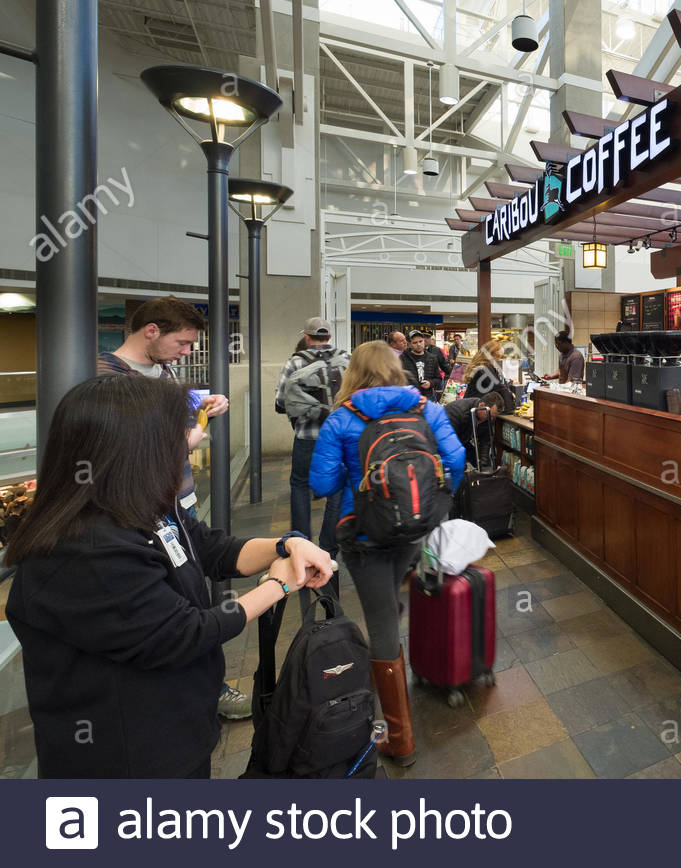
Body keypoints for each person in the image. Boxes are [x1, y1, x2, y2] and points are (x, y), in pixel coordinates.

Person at [3, 374, 334, 778]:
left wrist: (285, 546)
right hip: (125, 758)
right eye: (175, 433)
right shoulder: (86, 550)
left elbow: (209, 548)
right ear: (130, 448)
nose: (191, 440)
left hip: (177, 728)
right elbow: (183, 633)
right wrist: (277, 586)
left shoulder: (141, 506)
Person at [309, 341, 466, 766]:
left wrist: (358, 475)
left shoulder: (342, 418)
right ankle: (394, 654)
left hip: (364, 535)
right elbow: (456, 458)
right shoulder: (427, 410)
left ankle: (399, 740)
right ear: (397, 369)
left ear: (354, 372)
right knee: (390, 600)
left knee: (380, 624)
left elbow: (321, 485)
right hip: (415, 528)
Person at [97, 296, 249, 721]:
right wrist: (184, 442)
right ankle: (191, 690)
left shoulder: (162, 372)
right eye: (181, 343)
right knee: (170, 600)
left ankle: (203, 682)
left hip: (177, 500)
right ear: (151, 331)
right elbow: (120, 448)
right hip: (139, 507)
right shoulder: (105, 377)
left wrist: (203, 411)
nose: (186, 352)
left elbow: (171, 427)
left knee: (190, 586)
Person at [274, 317, 350, 620]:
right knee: (336, 490)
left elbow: (281, 403)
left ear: (306, 337)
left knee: (300, 486)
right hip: (339, 438)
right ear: (329, 336)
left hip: (307, 438)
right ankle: (329, 550)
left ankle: (301, 545)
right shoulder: (347, 359)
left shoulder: (295, 362)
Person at [443, 391, 504, 470]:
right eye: (490, 416)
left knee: (486, 466)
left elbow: (485, 442)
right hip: (442, 442)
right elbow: (449, 443)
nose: (491, 419)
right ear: (481, 405)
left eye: (493, 417)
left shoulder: (486, 417)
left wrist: (484, 465)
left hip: (462, 441)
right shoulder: (458, 412)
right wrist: (463, 467)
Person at [463, 338, 517, 413]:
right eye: (497, 356)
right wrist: (510, 400)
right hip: (476, 410)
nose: (498, 359)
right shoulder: (485, 368)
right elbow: (498, 387)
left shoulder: (481, 366)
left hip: (470, 406)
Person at [400, 330, 452, 397]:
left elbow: (438, 378)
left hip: (428, 396)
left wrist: (430, 383)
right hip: (409, 397)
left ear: (424, 341)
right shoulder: (403, 358)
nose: (418, 344)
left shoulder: (432, 358)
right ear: (409, 344)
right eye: (415, 342)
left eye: (420, 341)